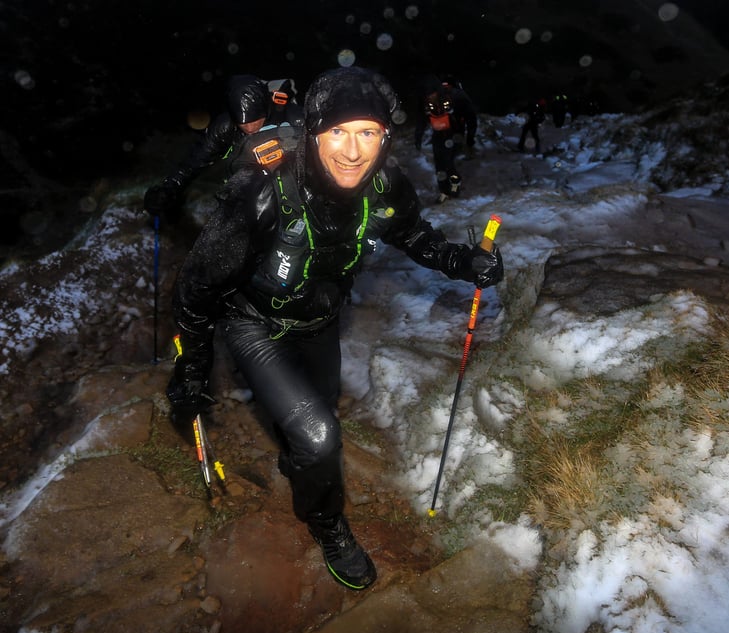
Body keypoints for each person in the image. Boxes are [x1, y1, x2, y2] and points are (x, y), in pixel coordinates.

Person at [165, 66, 504, 590]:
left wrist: (464, 263)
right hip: (255, 323)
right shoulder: (263, 192)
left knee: (313, 421)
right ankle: (328, 526)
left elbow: (415, 235)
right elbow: (196, 287)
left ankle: (298, 457)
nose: (352, 151)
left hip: (321, 321)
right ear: (314, 132)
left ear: (385, 138)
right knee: (321, 437)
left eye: (367, 133)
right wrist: (191, 371)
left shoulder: (386, 184)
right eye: (338, 133)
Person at [143, 75, 303, 218]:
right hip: (246, 193)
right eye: (243, 124)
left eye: (255, 122)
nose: (249, 129)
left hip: (289, 190)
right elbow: (195, 160)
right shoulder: (224, 127)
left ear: (265, 109)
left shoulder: (292, 118)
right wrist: (169, 187)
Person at [413, 76, 478, 202]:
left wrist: (470, 137)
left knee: (448, 162)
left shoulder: (456, 97)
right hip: (438, 134)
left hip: (455, 133)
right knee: (439, 164)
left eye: (431, 94)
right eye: (427, 95)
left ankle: (455, 183)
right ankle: (444, 191)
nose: (429, 97)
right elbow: (421, 120)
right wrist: (418, 137)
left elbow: (471, 117)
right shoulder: (425, 101)